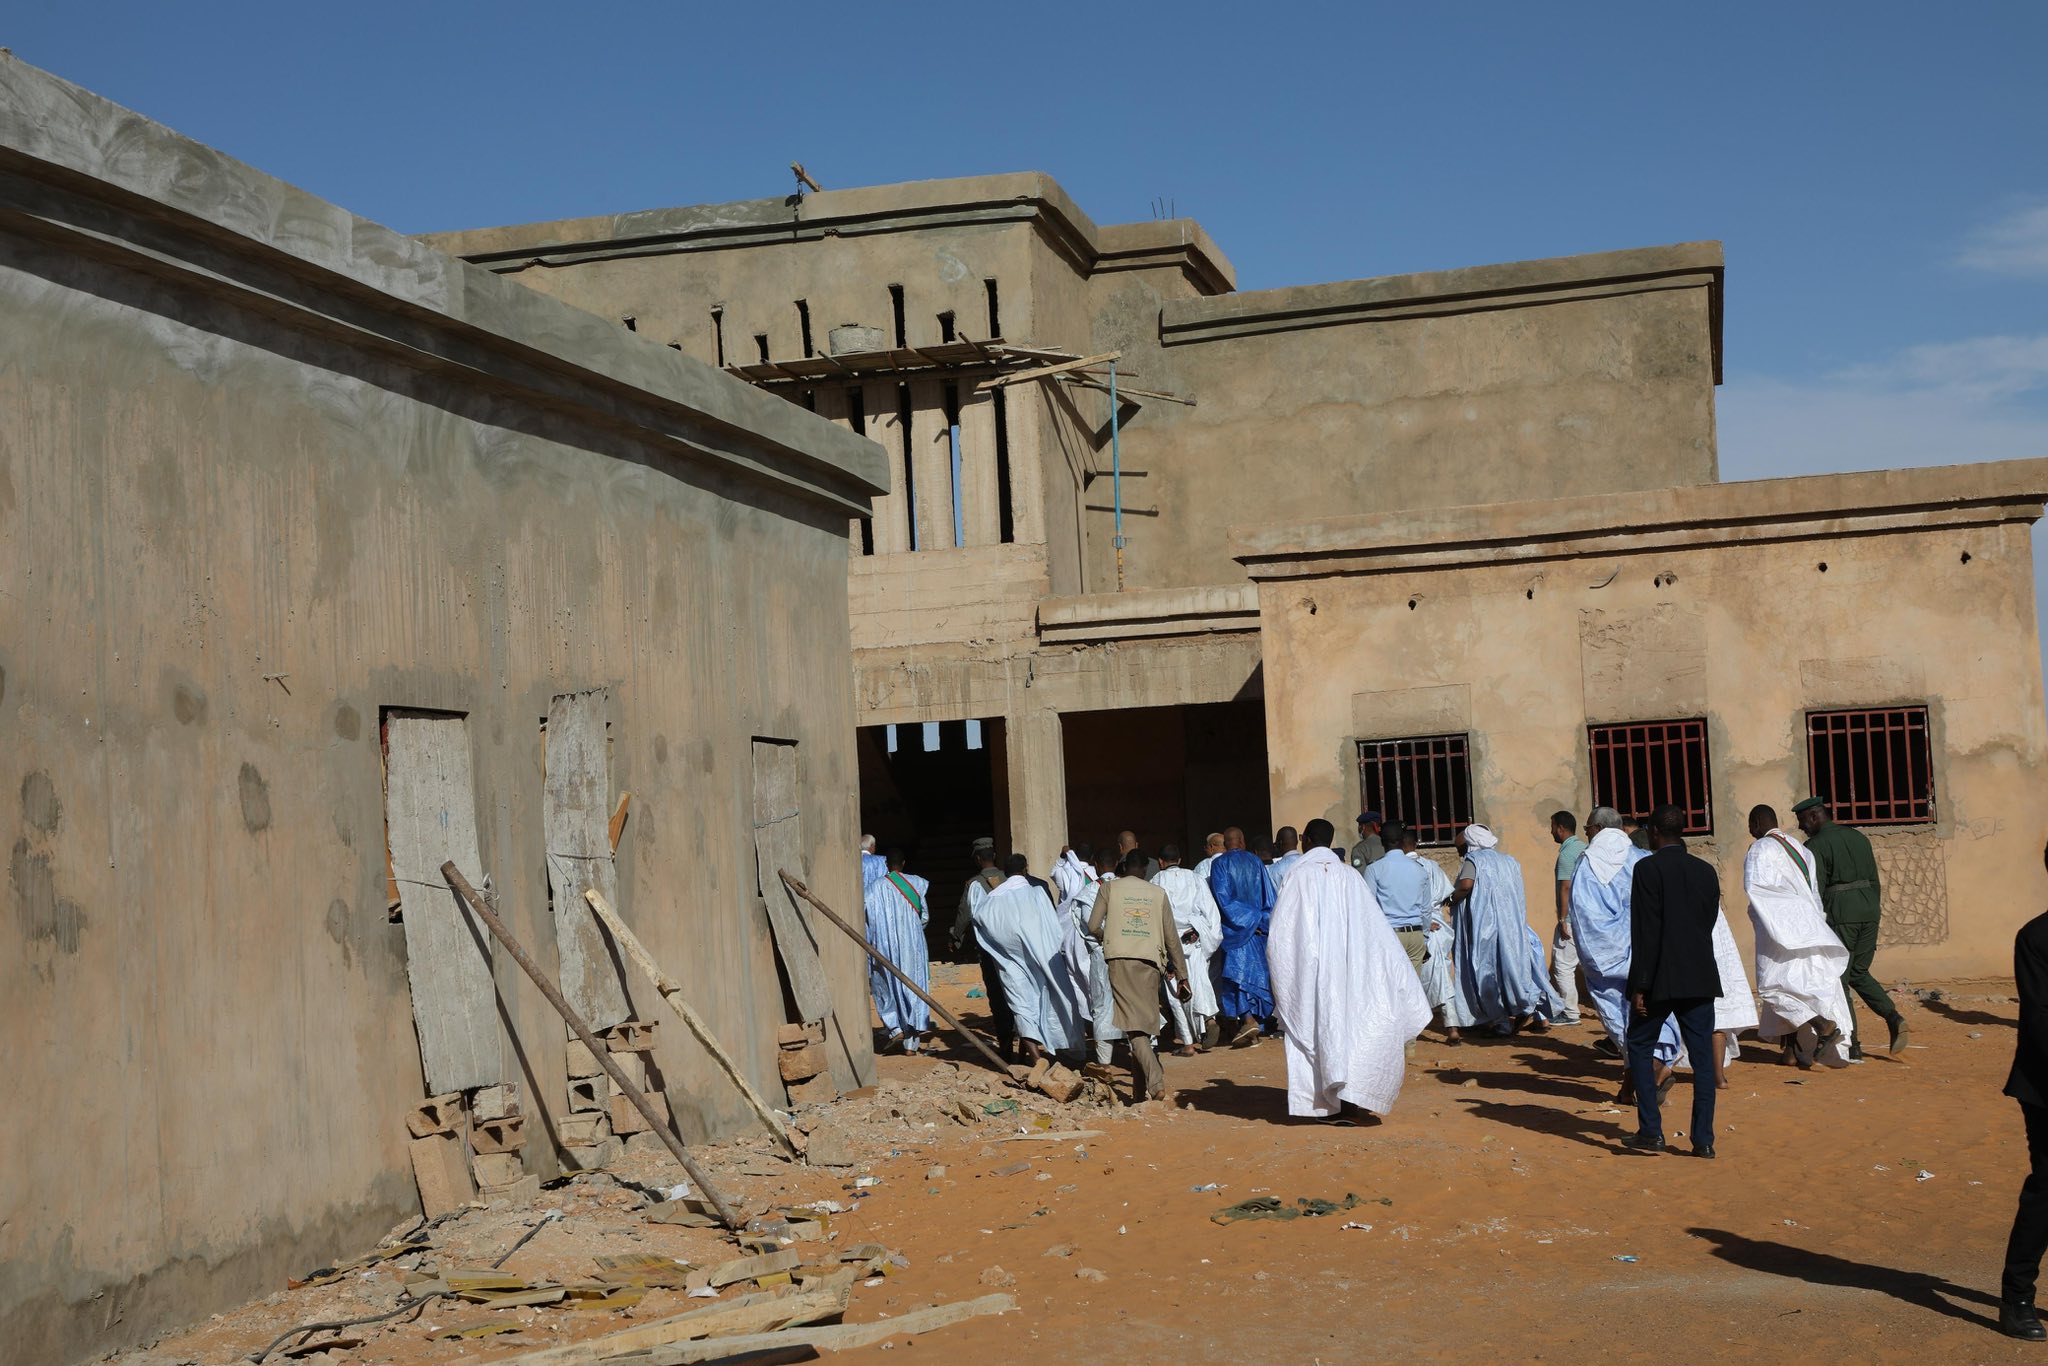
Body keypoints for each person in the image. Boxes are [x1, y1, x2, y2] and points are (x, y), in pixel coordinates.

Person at [1269, 819, 1432, 1119]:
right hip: (1349, 971)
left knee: (1319, 1027)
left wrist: (1286, 971)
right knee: (1348, 1026)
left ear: (1306, 840)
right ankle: (1348, 1099)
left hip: (1312, 970)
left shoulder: (1297, 876)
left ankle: (1325, 1103)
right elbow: (1373, 928)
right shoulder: (1350, 877)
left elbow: (1282, 932)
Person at [1622, 805, 1724, 1156]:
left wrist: (1640, 985)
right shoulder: (1706, 872)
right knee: (1703, 1061)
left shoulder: (1646, 869)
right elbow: (1706, 923)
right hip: (1699, 976)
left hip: (1660, 979)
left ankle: (1650, 1130)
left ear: (1653, 832)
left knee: (1638, 1044)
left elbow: (1645, 931)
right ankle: (1704, 1140)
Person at [1741, 804, 1854, 1069]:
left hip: (1779, 926)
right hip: (1809, 925)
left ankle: (1822, 1025)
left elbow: (1755, 889)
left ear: (1757, 823)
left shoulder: (1760, 849)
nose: (1749, 831)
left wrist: (1766, 920)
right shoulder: (1801, 848)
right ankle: (1791, 1051)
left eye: (1750, 825)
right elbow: (1813, 891)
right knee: (1797, 984)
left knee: (1773, 987)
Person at [1795, 796, 1909, 1058]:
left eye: (1803, 821)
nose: (1802, 827)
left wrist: (1816, 924)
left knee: (1840, 978)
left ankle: (1852, 1044)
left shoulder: (1814, 846)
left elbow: (1817, 890)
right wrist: (1871, 909)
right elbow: (1874, 879)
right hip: (1869, 911)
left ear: (1814, 816)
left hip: (1841, 914)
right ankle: (1892, 1016)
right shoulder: (1859, 838)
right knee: (1859, 971)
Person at [1089, 850, 1192, 1103]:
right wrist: (1182, 975)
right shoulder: (1157, 894)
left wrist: (1107, 938)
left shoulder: (1109, 889)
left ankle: (1155, 1081)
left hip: (1120, 960)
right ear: (1146, 869)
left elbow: (1092, 925)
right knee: (1141, 1025)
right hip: (1150, 961)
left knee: (1134, 1028)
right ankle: (1139, 1092)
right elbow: (1172, 938)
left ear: (1123, 867)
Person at [1997, 840, 2048, 1341]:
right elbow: (2039, 1021)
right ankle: (2016, 1298)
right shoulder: (2036, 938)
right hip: (2045, 1086)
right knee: (2047, 1191)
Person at [973, 860, 1085, 1066]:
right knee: (1047, 998)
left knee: (1021, 1005)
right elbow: (1052, 926)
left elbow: (980, 920)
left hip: (1010, 960)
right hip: (1040, 956)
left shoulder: (993, 899)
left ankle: (1034, 1058)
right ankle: (1041, 1059)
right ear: (1025, 870)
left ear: (1005, 874)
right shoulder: (1037, 894)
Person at [1453, 824, 1559, 1034]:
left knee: (1488, 972)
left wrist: (1451, 898)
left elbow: (1465, 885)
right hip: (1513, 927)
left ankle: (1500, 1023)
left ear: (1471, 844)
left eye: (1461, 849)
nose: (1461, 854)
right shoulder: (1509, 861)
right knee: (1518, 969)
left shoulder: (1474, 861)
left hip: (1486, 928)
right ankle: (1534, 1013)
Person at [1209, 826, 1278, 1046]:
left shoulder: (1219, 864)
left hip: (1236, 929)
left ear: (1225, 844)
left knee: (1238, 977)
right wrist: (1260, 920)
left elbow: (1223, 900)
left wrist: (1246, 920)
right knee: (1252, 976)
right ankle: (1252, 1025)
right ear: (1243, 841)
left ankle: (1248, 1020)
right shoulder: (1256, 862)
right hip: (1257, 928)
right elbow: (1270, 897)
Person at [1154, 843, 1222, 1054]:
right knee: (1200, 983)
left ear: (1161, 862)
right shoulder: (1195, 878)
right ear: (1180, 860)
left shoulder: (1156, 881)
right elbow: (1210, 911)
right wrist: (1205, 933)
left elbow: (1156, 915)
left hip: (1170, 942)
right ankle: (1209, 1019)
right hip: (1194, 938)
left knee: (1177, 991)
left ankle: (1187, 1043)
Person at [951, 839, 1016, 1058]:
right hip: (1013, 948)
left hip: (989, 949)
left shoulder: (974, 884)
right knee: (1016, 992)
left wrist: (956, 938)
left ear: (978, 859)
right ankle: (1024, 1041)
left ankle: (1005, 1044)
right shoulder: (1011, 880)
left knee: (997, 995)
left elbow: (964, 915)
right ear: (994, 855)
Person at [1405, 828, 1470, 1043]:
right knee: (1440, 970)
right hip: (1436, 925)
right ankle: (1451, 1025)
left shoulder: (1395, 868)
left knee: (1415, 975)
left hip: (1412, 926)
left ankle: (1429, 1026)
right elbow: (1445, 894)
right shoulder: (1431, 866)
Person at [862, 850, 931, 1053]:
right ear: (903, 862)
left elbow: (865, 919)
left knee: (885, 985)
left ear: (886, 866)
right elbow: (924, 916)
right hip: (913, 945)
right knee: (913, 986)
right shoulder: (917, 883)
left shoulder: (872, 889)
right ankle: (911, 1043)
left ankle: (894, 1028)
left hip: (882, 945)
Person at [1364, 820, 1431, 977]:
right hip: (1415, 934)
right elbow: (1426, 909)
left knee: (1390, 989)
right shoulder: (1420, 870)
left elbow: (1369, 907)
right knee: (1413, 991)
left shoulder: (1374, 869)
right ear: (1402, 841)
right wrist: (1424, 937)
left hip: (1390, 934)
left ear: (1382, 842)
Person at [1550, 811, 1587, 1026]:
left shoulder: (1566, 854)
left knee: (1563, 966)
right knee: (1587, 964)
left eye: (1553, 826)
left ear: (1561, 829)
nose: (1551, 831)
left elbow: (1565, 886)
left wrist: (1562, 919)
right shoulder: (1584, 848)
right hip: (1586, 918)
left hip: (1571, 919)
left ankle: (1570, 1012)